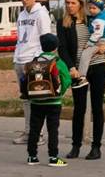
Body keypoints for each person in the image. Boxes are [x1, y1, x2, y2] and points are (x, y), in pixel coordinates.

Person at [72, 0, 105, 160]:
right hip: (78, 70)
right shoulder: (67, 24)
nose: (71, 6)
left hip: (98, 67)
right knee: (79, 109)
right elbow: (63, 48)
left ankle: (96, 148)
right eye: (68, 3)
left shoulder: (94, 19)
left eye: (74, 3)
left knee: (97, 109)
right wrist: (71, 67)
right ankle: (75, 146)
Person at [12, 0, 52, 147]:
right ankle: (29, 131)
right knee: (26, 99)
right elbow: (20, 37)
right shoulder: (21, 14)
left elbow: (47, 38)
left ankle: (39, 133)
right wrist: (16, 56)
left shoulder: (41, 14)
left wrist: (40, 58)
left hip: (34, 59)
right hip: (20, 59)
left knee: (37, 98)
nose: (24, 0)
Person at [23, 33, 70, 167]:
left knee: (34, 129)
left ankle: (32, 156)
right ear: (55, 47)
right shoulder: (58, 62)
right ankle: (53, 157)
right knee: (53, 129)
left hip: (36, 101)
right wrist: (59, 92)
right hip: (54, 102)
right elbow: (66, 79)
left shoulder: (35, 61)